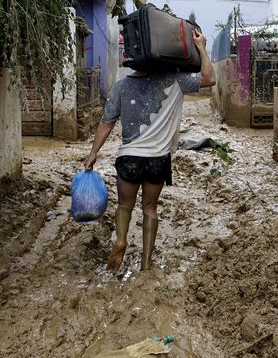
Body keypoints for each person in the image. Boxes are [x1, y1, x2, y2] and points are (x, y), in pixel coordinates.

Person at [84, 28, 216, 271]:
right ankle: (146, 265)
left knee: (124, 206)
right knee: (149, 208)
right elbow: (209, 78)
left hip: (128, 159)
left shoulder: (121, 86)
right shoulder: (177, 80)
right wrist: (202, 49)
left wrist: (93, 154)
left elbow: (106, 123)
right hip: (157, 160)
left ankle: (121, 240)